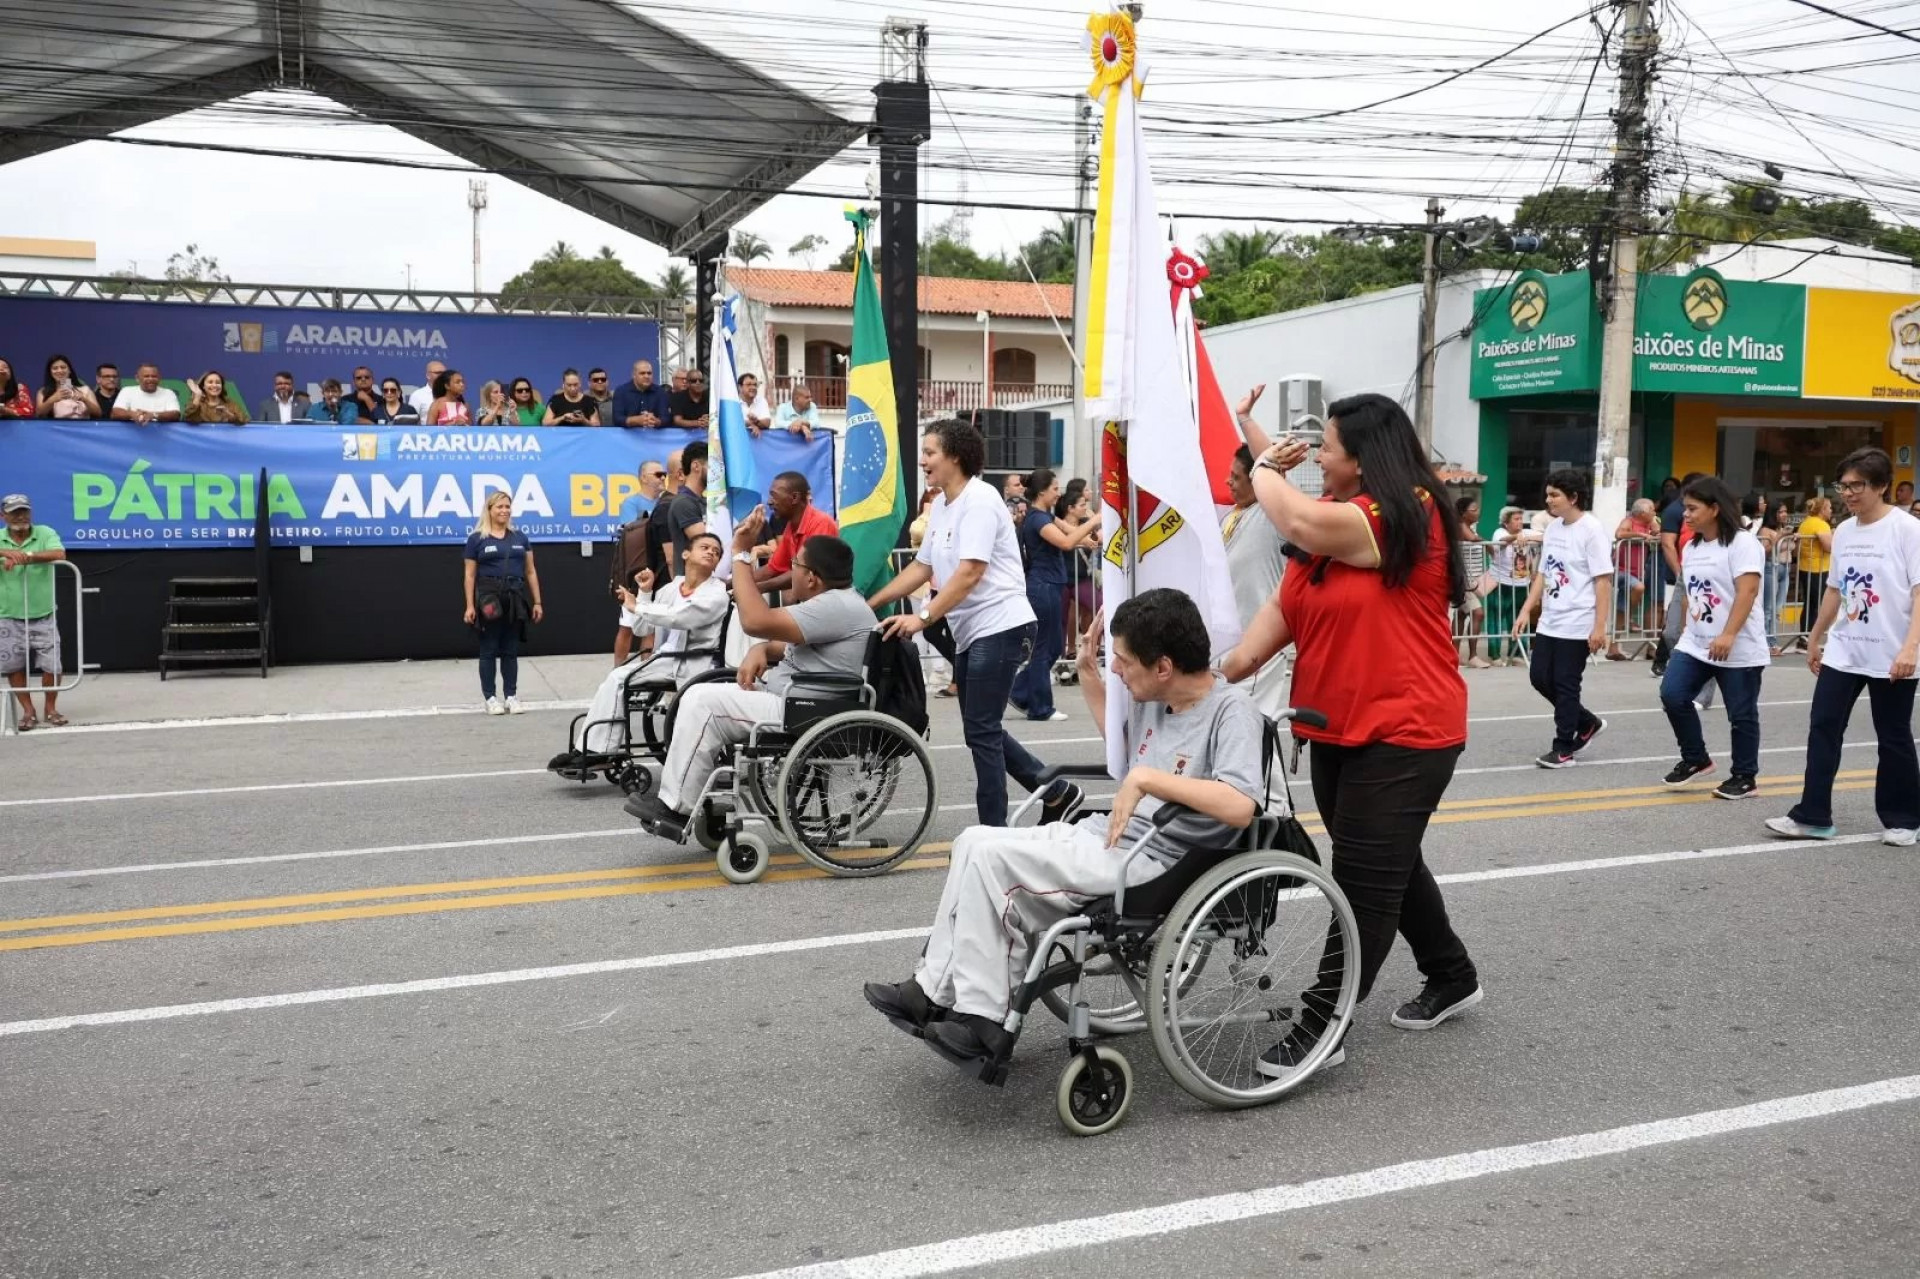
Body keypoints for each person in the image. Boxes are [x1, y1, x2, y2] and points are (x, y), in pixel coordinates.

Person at [865, 588, 1265, 1068]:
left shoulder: (1231, 710)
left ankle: (984, 1019)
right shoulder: (1159, 700)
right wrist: (1089, 672)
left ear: (1162, 666)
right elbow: (1125, 758)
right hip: (1109, 837)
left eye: (1121, 660)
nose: (1116, 669)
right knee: (972, 841)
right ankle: (931, 991)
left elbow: (1241, 804)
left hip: (1155, 861)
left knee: (996, 866)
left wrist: (1146, 779)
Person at [1222, 392, 1481, 1068]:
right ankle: (1452, 974)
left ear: (1361, 460)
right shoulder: (1322, 549)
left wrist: (1264, 469)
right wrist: (1184, 668)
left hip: (1407, 729)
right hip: (1335, 731)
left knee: (1364, 882)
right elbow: (1253, 645)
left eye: (1328, 448)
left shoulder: (1406, 513)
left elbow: (1300, 516)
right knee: (1389, 861)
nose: (1319, 458)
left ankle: (1321, 1026)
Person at [868, 419, 1079, 826]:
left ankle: (992, 834)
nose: (923, 461)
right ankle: (1057, 792)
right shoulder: (944, 505)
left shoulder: (980, 501)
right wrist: (871, 603)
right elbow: (922, 567)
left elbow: (969, 573)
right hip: (973, 630)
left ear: (955, 457)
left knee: (981, 731)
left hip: (1001, 624)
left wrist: (922, 617)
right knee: (979, 728)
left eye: (930, 453)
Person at [625, 521, 875, 838]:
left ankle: (675, 809)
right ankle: (696, 794)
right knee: (699, 693)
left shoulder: (835, 605)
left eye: (795, 564)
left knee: (704, 704)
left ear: (811, 578)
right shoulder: (839, 603)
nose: (791, 570)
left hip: (805, 707)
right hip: (796, 698)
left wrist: (741, 554)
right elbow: (787, 640)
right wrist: (762, 647)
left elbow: (755, 621)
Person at [1766, 447, 1920, 846]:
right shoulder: (1846, 531)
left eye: (1858, 485)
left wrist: (1910, 649)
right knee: (1823, 726)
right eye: (1844, 485)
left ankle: (1903, 818)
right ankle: (1813, 814)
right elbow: (1836, 589)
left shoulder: (1907, 529)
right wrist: (1816, 636)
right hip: (1845, 649)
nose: (1849, 493)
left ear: (1882, 486)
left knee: (1893, 734)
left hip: (1891, 652)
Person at [564, 532, 729, 760]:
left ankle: (596, 751)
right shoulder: (672, 588)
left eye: (717, 551)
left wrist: (637, 606)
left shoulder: (717, 593)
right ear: (686, 553)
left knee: (621, 680)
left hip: (693, 662)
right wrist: (644, 592)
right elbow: (642, 629)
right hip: (666, 660)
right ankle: (590, 749)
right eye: (705, 547)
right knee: (616, 677)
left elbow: (678, 617)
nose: (712, 552)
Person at [1657, 476, 1768, 799]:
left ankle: (1745, 777)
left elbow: (1747, 590)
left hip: (1737, 644)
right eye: (1684, 508)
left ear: (1715, 509)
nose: (1685, 515)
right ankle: (1696, 758)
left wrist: (1729, 634)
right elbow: (1690, 590)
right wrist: (1687, 626)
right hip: (1697, 641)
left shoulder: (1742, 543)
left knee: (1741, 714)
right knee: (1673, 694)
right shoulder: (1691, 546)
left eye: (1692, 508)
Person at [1513, 468, 1613, 769]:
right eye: (1547, 494)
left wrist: (1599, 627)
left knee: (1566, 684)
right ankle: (1586, 722)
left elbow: (1603, 581)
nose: (1549, 500)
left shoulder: (1592, 530)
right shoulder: (1555, 529)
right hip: (1551, 619)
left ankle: (1563, 747)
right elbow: (1544, 572)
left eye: (1555, 495)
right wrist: (1527, 608)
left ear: (1573, 498)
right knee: (1540, 677)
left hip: (1579, 620)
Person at [1009, 469, 1098, 723]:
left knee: (1055, 646)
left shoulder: (1045, 516)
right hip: (1042, 585)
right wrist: (1094, 521)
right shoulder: (1037, 519)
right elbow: (1066, 543)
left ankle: (1018, 691)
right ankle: (1040, 708)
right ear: (1042, 492)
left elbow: (1069, 533)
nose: (1058, 493)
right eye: (1055, 488)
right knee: (1042, 648)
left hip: (1051, 585)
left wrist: (1085, 539)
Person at [462, 490, 542, 715]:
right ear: (489, 510)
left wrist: (537, 602)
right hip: (489, 599)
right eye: (500, 507)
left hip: (515, 597)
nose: (504, 511)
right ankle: (490, 698)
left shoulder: (520, 537)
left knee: (510, 650)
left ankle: (511, 696)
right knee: (488, 649)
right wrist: (469, 605)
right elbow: (469, 575)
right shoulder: (477, 539)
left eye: (507, 507)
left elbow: (530, 571)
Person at [1, 493, 68, 729]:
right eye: (14, 512)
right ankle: (27, 711)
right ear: (3, 516)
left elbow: (59, 554)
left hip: (43, 613)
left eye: (24, 511)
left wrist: (24, 557)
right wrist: (5, 552)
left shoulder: (45, 532)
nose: (20, 516)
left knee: (52, 665)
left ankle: (51, 708)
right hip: (8, 614)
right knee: (14, 665)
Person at [611, 460, 669, 667]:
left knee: (651, 626)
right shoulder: (631, 503)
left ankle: (646, 671)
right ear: (643, 477)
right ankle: (617, 672)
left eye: (664, 474)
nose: (663, 478)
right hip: (638, 573)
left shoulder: (666, 502)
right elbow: (632, 533)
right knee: (627, 626)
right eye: (658, 474)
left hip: (660, 571)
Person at [749, 471, 838, 598]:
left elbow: (804, 573)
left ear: (795, 498)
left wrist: (757, 588)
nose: (769, 502)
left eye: (774, 496)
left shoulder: (822, 523)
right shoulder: (791, 527)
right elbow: (773, 569)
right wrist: (731, 584)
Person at [1609, 498, 1660, 660]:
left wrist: (1653, 529)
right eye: (1652, 509)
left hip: (1637, 572)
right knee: (1639, 588)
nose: (1654, 512)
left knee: (1620, 609)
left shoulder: (1650, 522)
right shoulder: (1629, 521)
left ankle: (1613, 648)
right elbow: (1619, 534)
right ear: (1642, 512)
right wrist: (1639, 535)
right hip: (1621, 571)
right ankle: (1629, 618)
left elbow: (1659, 532)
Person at [1484, 506, 1532, 664]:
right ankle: (1495, 654)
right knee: (1496, 619)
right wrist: (1517, 536)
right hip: (1500, 583)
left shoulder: (1525, 534)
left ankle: (1517, 653)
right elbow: (1502, 542)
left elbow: (1530, 556)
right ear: (1506, 522)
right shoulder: (1500, 532)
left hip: (1520, 583)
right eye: (1516, 519)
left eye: (1521, 519)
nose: (1520, 522)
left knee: (1518, 619)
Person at [1793, 496, 1835, 650]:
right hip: (1818, 569)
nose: (1831, 510)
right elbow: (1829, 547)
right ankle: (1809, 640)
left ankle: (1805, 638)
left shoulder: (1806, 523)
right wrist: (1835, 537)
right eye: (1829, 507)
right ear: (1822, 509)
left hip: (1806, 568)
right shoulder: (1821, 524)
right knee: (1817, 606)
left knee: (1810, 605)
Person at [1455, 495, 1492, 669]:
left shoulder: (1472, 528)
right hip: (1463, 580)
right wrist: (1488, 543)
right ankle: (1473, 656)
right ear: (1463, 513)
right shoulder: (1460, 526)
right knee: (1478, 613)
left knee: (1462, 615)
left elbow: (1477, 539)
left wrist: (1489, 545)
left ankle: (1453, 655)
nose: (1478, 512)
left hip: (1473, 580)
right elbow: (1471, 539)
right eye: (1474, 510)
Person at [665, 441, 709, 577]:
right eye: (712, 466)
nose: (718, 473)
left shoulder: (704, 502)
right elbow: (707, 542)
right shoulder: (683, 502)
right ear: (696, 466)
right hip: (691, 585)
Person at [647, 449, 685, 590]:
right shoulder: (667, 507)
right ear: (680, 474)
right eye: (695, 470)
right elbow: (671, 559)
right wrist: (680, 595)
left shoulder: (680, 504)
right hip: (670, 592)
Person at [109, 364, 182, 424]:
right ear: (137, 378)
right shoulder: (127, 391)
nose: (150, 379)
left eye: (154, 376)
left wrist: (153, 415)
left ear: (159, 378)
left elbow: (175, 414)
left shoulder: (168, 393)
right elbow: (115, 413)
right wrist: (132, 414)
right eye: (146, 376)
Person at [35, 355, 100, 420]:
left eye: (63, 367)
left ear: (69, 370)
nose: (60, 371)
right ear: (50, 372)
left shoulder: (84, 389)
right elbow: (39, 414)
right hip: (57, 428)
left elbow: (98, 413)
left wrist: (84, 400)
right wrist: (52, 399)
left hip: (83, 428)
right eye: (55, 368)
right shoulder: (43, 392)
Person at [612, 359, 672, 429]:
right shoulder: (621, 391)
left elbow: (666, 418)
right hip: (627, 438)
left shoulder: (660, 392)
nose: (646, 376)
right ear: (634, 375)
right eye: (642, 373)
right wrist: (635, 420)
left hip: (653, 436)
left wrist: (656, 421)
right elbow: (617, 419)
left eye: (649, 373)